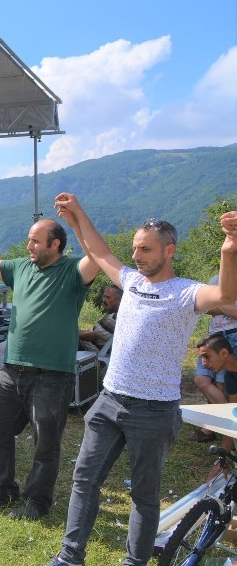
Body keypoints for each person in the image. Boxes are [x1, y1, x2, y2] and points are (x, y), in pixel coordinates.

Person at [45, 195, 237, 566]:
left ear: (170, 251)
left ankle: (135, 563)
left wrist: (229, 249)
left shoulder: (186, 292)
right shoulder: (130, 281)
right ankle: (70, 557)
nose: (136, 256)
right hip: (110, 400)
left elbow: (227, 294)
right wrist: (79, 214)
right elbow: (100, 253)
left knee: (145, 496)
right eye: (134, 248)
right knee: (84, 481)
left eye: (145, 250)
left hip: (153, 410)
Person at [0, 217, 99, 519]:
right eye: (29, 239)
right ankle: (4, 491)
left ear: (56, 244)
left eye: (36, 240)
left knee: (45, 444)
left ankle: (37, 503)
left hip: (52, 375)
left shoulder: (73, 272)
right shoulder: (21, 267)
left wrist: (76, 218)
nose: (29, 246)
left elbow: (97, 257)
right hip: (11, 372)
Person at [191, 273, 237, 442]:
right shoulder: (215, 280)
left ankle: (216, 429)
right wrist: (226, 304)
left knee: (223, 385)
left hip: (234, 335)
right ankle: (226, 426)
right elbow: (204, 307)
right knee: (201, 380)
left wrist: (219, 301)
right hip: (213, 336)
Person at [78, 285, 122, 352]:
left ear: (118, 300)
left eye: (108, 297)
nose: (104, 300)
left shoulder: (113, 318)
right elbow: (93, 332)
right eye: (104, 296)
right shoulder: (120, 315)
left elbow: (91, 336)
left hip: (90, 351)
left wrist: (68, 333)